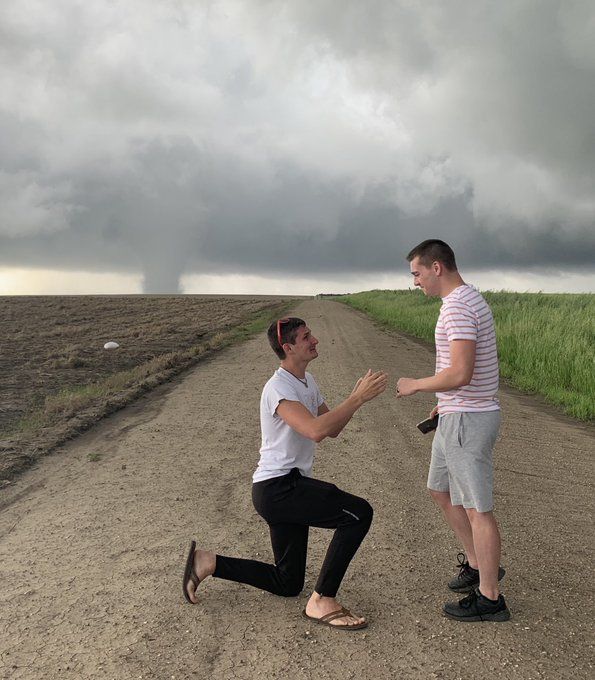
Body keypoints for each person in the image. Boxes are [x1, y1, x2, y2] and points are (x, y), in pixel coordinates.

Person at [183, 317, 388, 629]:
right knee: (358, 513)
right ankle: (322, 600)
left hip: (285, 488)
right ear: (288, 347)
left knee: (287, 582)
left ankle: (208, 562)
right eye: (307, 337)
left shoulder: (308, 381)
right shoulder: (278, 388)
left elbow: (331, 428)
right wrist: (356, 397)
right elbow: (315, 431)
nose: (315, 340)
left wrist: (356, 399)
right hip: (278, 488)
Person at [396, 239, 510, 622]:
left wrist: (416, 384)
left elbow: (461, 372)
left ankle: (490, 598)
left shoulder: (458, 307)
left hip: (469, 419)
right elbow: (465, 373)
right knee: (439, 490)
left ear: (436, 268)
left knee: (478, 509)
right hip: (457, 412)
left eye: (416, 273)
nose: (415, 282)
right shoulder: (465, 301)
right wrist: (443, 402)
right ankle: (478, 566)